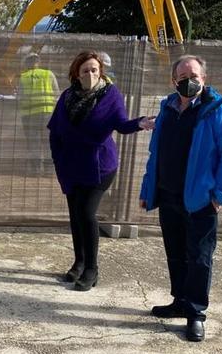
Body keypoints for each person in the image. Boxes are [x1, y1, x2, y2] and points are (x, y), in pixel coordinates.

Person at [140, 54, 222, 342]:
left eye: (194, 76)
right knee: (175, 253)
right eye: (183, 77)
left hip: (201, 201)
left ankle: (196, 313)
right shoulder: (167, 108)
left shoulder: (220, 111)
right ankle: (179, 301)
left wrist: (219, 195)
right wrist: (148, 188)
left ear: (204, 78)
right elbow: (156, 153)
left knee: (199, 258)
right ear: (174, 81)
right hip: (168, 195)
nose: (189, 81)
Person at [48, 51, 154, 291]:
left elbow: (121, 123)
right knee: (75, 215)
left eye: (95, 69)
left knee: (86, 213)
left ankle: (92, 269)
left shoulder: (110, 95)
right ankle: (79, 261)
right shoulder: (67, 97)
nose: (91, 74)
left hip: (99, 165)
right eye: (85, 70)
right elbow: (55, 130)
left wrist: (139, 123)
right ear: (76, 73)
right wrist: (57, 158)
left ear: (101, 71)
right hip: (70, 165)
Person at [18, 52, 59, 175]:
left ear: (27, 63)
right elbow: (56, 93)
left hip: (30, 114)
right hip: (48, 113)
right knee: (48, 142)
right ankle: (49, 170)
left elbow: (20, 96)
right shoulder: (48, 74)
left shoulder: (23, 77)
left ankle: (35, 170)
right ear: (38, 62)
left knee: (33, 142)